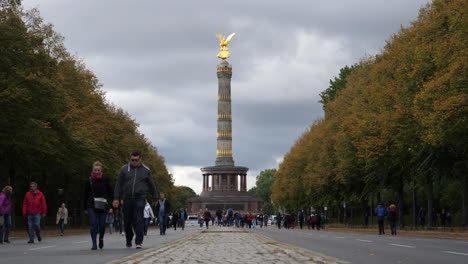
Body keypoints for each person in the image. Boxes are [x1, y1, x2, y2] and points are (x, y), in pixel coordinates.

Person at [113, 150, 158, 249]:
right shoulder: (124, 169)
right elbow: (118, 184)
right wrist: (116, 198)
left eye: (136, 160)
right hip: (127, 197)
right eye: (132, 160)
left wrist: (155, 197)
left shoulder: (146, 170)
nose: (134, 162)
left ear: (140, 159)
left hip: (140, 197)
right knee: (127, 221)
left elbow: (151, 184)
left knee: (138, 219)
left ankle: (139, 241)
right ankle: (129, 238)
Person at [82, 161, 113, 250]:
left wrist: (112, 204)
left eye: (98, 170)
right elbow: (85, 194)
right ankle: (94, 243)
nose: (97, 172)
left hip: (103, 205)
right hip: (91, 205)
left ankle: (101, 238)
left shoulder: (105, 179)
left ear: (101, 170)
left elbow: (110, 192)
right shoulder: (89, 180)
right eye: (95, 170)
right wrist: (84, 207)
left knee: (102, 225)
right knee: (93, 224)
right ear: (93, 170)